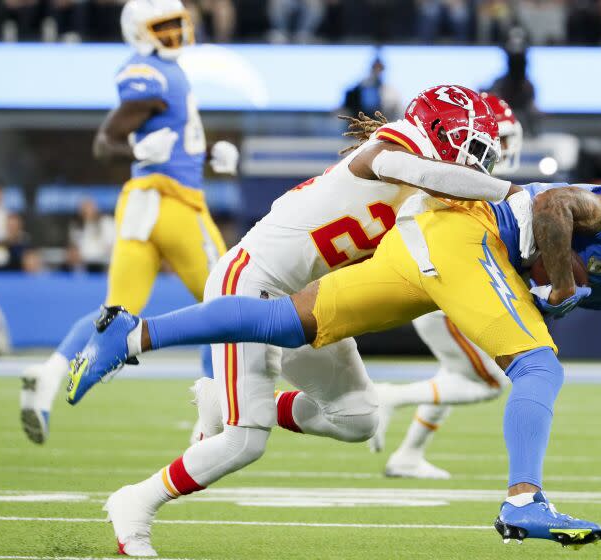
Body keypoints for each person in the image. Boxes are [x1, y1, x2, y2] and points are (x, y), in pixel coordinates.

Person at [65, 84, 537, 556]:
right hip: (251, 281)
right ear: (437, 132)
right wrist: (513, 192)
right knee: (244, 441)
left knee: (358, 419)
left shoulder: (432, 199)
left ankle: (230, 400)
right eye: (472, 148)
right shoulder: (393, 148)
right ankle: (137, 504)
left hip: (310, 301)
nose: (478, 164)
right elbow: (413, 170)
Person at [18, 0, 239, 445]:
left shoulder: (161, 71)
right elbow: (106, 142)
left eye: (177, 23)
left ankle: (48, 375)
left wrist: (206, 154)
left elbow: (168, 135)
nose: (175, 32)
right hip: (174, 204)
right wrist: (137, 152)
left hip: (142, 204)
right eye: (164, 26)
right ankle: (210, 420)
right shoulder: (149, 74)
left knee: (115, 312)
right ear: (140, 31)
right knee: (228, 304)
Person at [371, 92, 524, 479]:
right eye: (497, 138)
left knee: (453, 374)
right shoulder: (457, 180)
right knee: (491, 382)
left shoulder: (460, 178)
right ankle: (388, 396)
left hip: (440, 290)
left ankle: (408, 454)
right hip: (445, 294)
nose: (500, 148)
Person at [341, 57, 402, 121]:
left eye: (380, 69)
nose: (377, 71)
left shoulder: (390, 92)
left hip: (381, 122)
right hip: (361, 121)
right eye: (375, 68)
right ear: (372, 69)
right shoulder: (361, 87)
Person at [68, 198, 115, 272]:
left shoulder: (106, 222)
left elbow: (112, 245)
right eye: (84, 208)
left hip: (104, 264)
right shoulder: (77, 226)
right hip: (84, 265)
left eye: (89, 207)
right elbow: (74, 249)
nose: (87, 210)